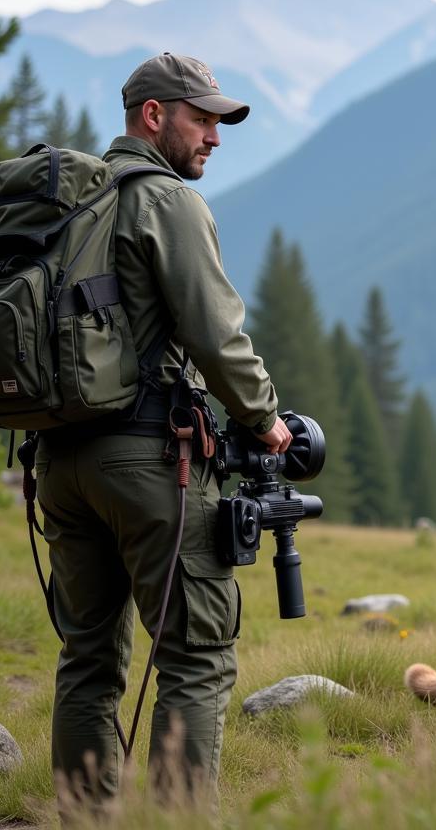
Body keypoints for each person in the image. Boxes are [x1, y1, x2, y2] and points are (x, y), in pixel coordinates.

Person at [35, 52, 292, 808]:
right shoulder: (165, 201)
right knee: (195, 655)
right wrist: (267, 418)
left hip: (60, 462)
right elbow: (215, 337)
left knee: (87, 660)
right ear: (156, 116)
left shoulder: (68, 199)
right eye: (203, 118)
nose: (214, 136)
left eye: (219, 121)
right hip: (149, 464)